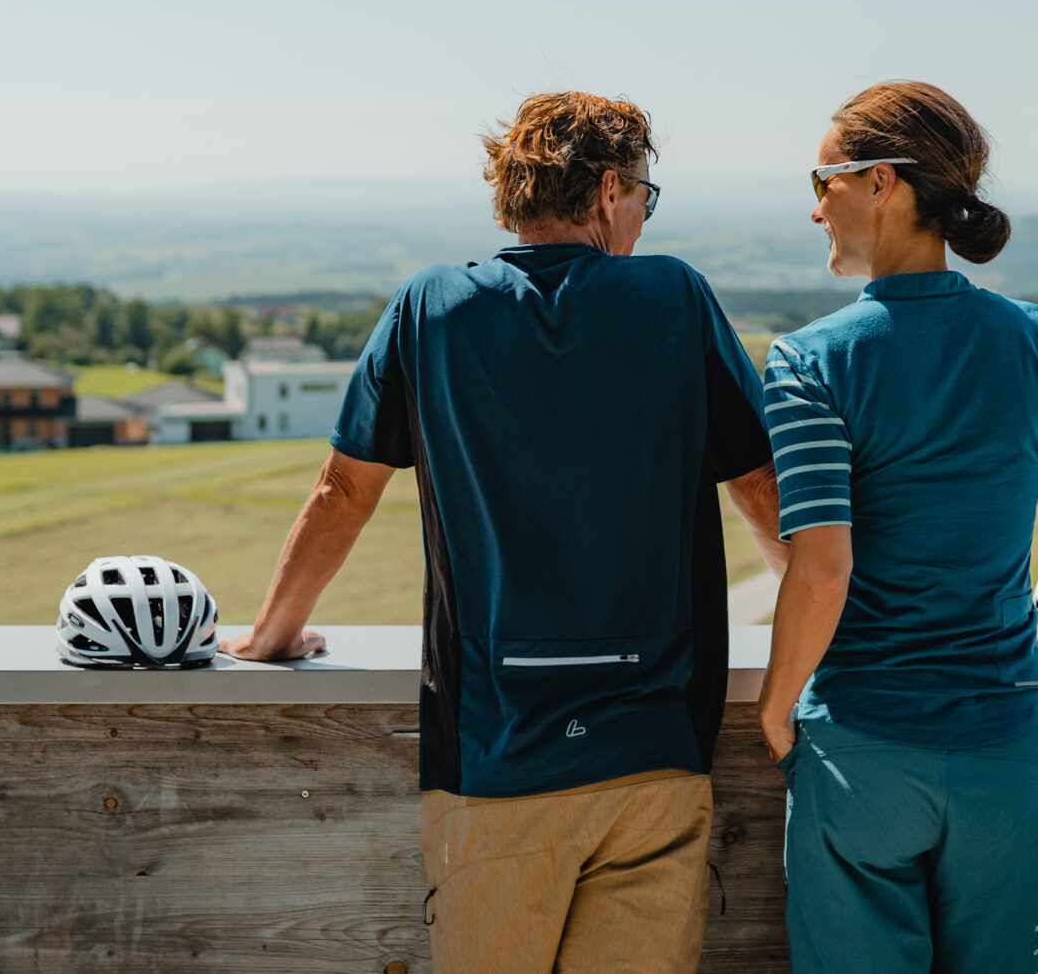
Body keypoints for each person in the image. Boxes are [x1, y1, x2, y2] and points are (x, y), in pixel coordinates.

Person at [222, 91, 786, 974]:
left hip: (491, 764)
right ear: (608, 190)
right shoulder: (676, 296)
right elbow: (761, 488)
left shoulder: (428, 306)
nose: (642, 214)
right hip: (653, 758)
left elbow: (341, 492)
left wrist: (272, 634)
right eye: (644, 193)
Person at [755, 81, 1038, 974]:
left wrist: (777, 708)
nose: (814, 204)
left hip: (861, 746)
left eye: (823, 178)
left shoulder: (805, 361)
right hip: (1004, 747)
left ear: (882, 183)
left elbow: (823, 570)